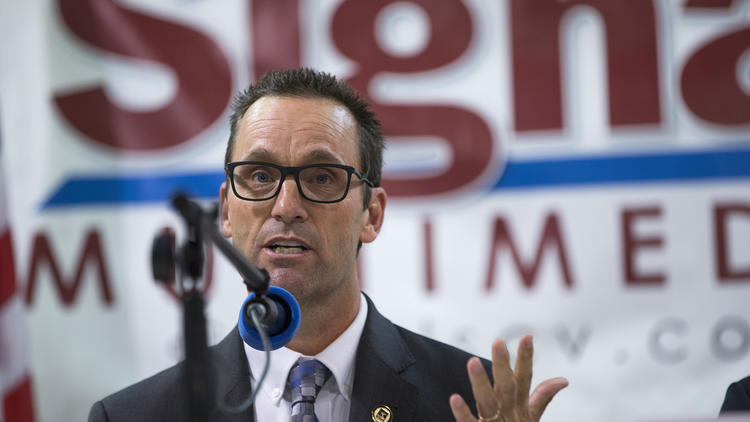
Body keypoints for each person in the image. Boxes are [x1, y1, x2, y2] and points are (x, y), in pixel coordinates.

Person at [88, 68, 568, 422]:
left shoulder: (469, 400)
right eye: (258, 176)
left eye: (321, 177)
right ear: (228, 211)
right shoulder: (133, 416)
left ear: (371, 214)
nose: (286, 206)